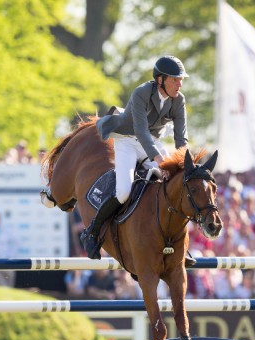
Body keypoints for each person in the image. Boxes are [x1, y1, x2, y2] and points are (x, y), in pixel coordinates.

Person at [81, 55, 190, 260]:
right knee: (123, 192)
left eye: (181, 79)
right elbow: (140, 131)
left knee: (177, 185)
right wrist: (160, 161)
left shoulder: (179, 100)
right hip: (128, 141)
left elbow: (181, 138)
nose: (180, 83)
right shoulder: (141, 93)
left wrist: (185, 163)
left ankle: (180, 243)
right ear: (160, 80)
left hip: (153, 143)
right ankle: (92, 233)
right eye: (175, 79)